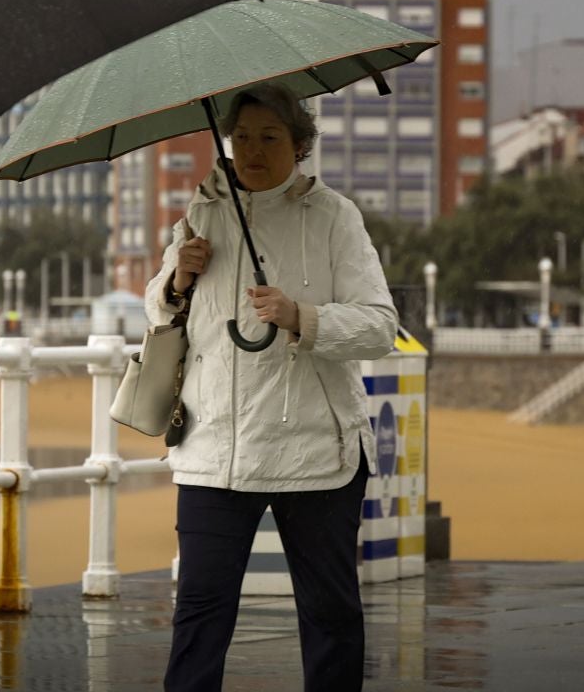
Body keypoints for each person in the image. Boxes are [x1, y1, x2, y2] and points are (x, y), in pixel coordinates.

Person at [145, 84, 398, 692]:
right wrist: (177, 280)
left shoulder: (335, 216)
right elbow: (159, 314)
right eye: (241, 138)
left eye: (269, 138)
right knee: (200, 611)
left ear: (301, 145)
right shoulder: (201, 212)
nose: (252, 152)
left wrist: (301, 316)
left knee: (329, 612)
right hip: (214, 448)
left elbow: (380, 326)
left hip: (315, 449)